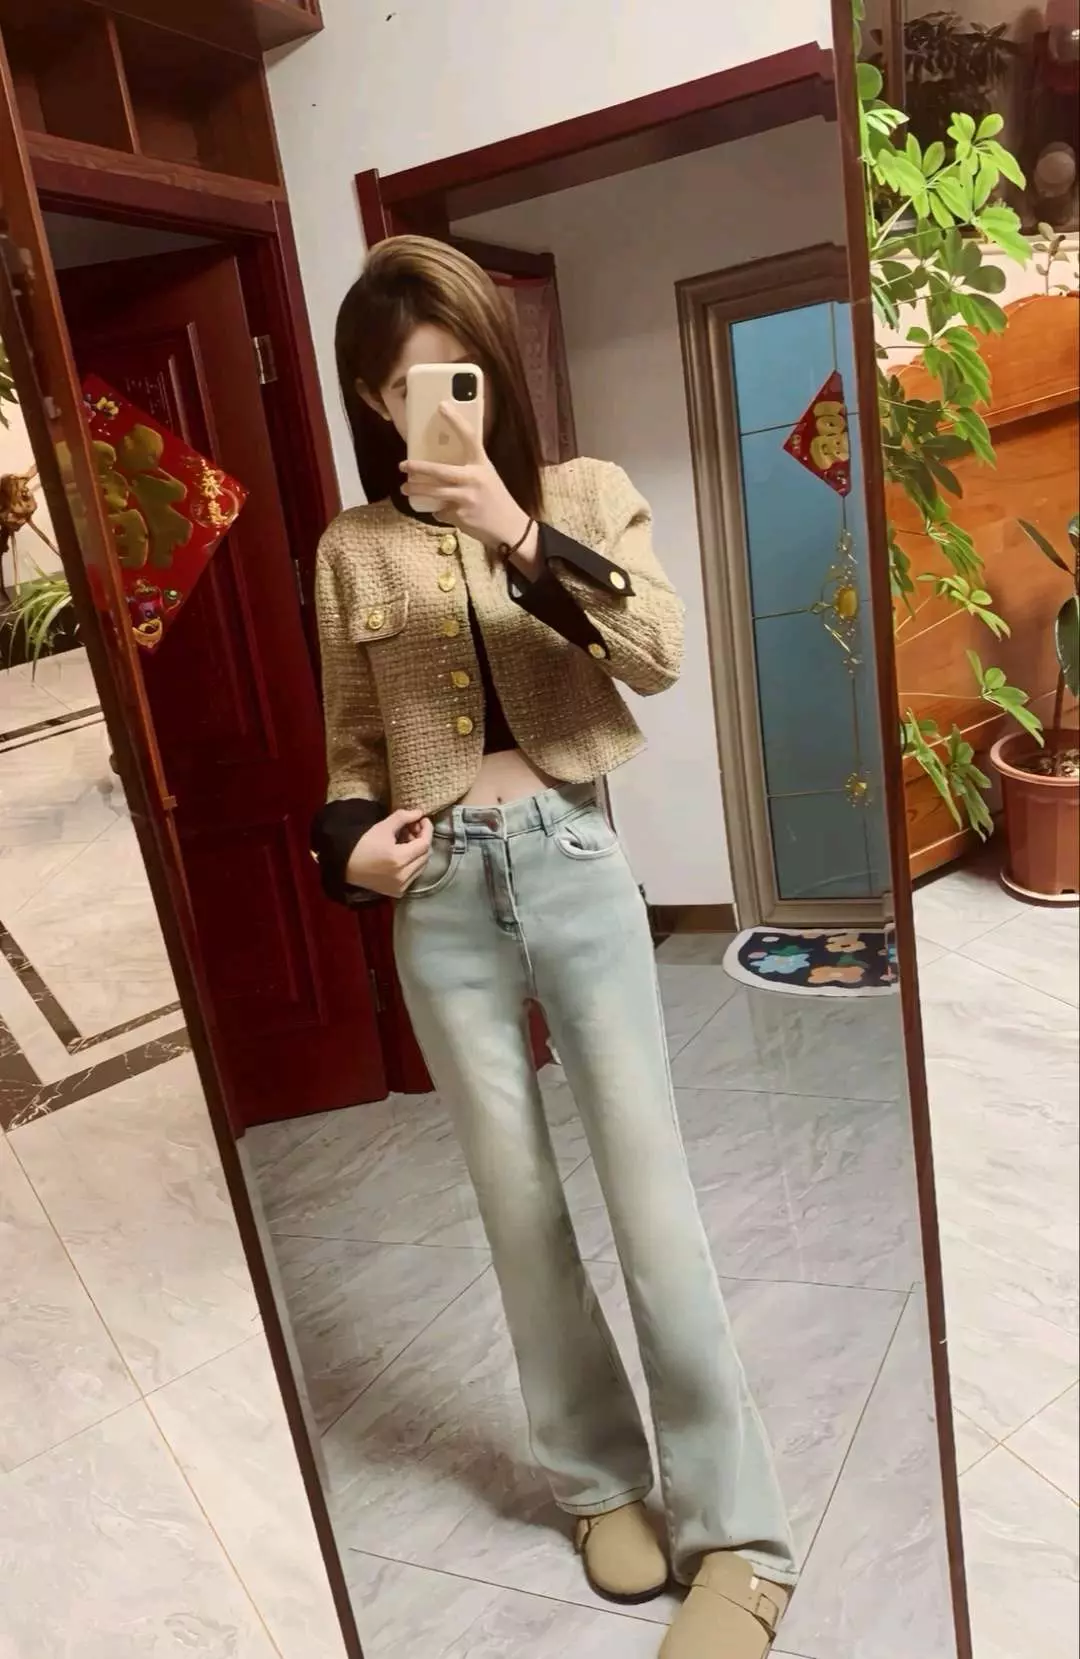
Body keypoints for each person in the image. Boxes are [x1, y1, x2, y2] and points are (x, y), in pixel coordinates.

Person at [311, 235, 797, 1659]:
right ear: (369, 398)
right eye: (403, 389)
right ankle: (597, 1485)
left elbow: (657, 651)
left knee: (652, 1203)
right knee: (518, 1211)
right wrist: (347, 851)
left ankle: (743, 1538)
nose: (433, 408)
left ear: (496, 369)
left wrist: (515, 530)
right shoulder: (349, 549)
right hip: (439, 896)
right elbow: (349, 752)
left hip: (574, 865)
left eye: (457, 376)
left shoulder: (583, 494)